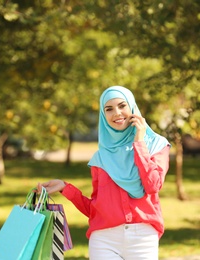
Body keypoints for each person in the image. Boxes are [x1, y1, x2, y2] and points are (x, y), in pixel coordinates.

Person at [37, 86, 171, 259]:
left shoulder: (156, 146)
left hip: (143, 237)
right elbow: (96, 209)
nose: (116, 113)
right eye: (109, 109)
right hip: (103, 239)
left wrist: (139, 142)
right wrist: (65, 188)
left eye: (122, 106)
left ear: (132, 107)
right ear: (103, 115)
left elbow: (153, 185)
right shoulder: (100, 158)